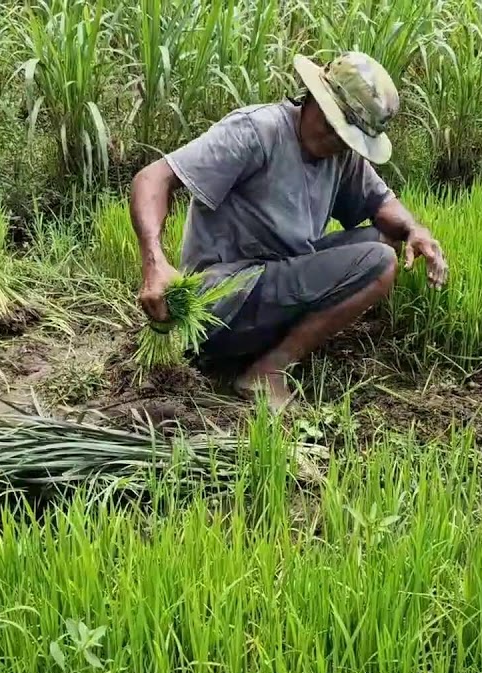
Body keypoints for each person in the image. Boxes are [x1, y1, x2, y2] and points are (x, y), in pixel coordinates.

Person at [130, 51, 448, 411]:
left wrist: (414, 230)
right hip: (220, 302)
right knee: (379, 262)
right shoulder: (256, 131)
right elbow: (153, 178)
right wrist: (154, 262)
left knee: (384, 241)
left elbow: (380, 203)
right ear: (311, 97)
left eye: (346, 136)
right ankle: (267, 371)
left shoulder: (341, 155)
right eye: (331, 124)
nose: (334, 139)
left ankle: (272, 351)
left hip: (276, 279)